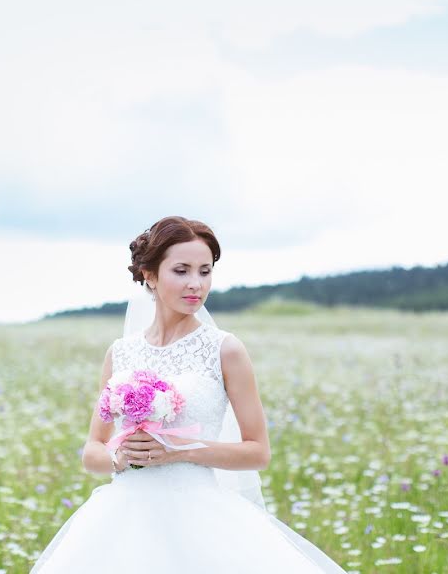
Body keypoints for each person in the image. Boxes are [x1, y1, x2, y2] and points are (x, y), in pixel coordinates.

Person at [29, 216, 346, 573]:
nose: (196, 284)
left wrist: (179, 452)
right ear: (149, 274)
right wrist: (120, 459)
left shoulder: (225, 349)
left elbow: (258, 452)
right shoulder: (120, 353)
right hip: (123, 520)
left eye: (205, 271)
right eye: (181, 270)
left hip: (200, 516)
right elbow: (92, 451)